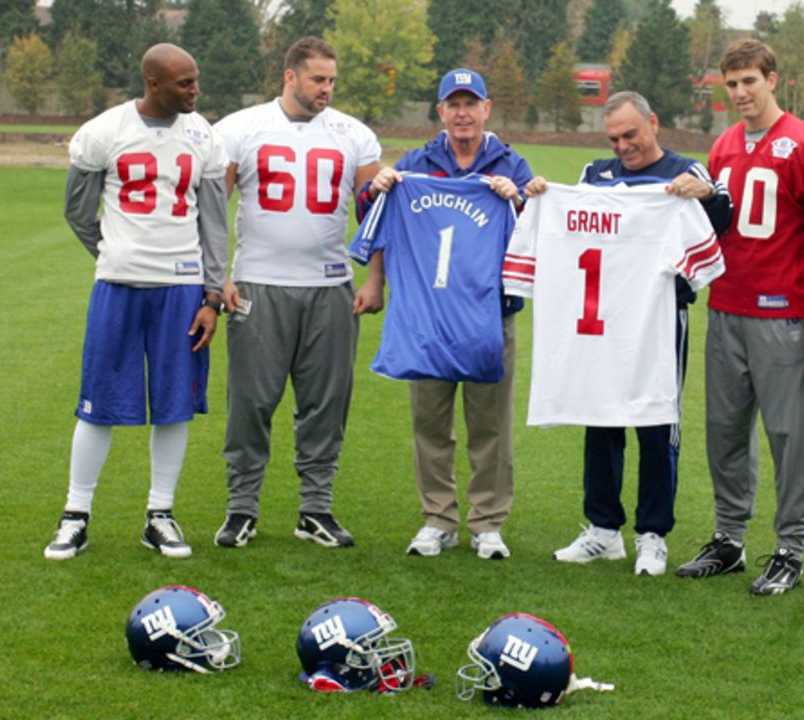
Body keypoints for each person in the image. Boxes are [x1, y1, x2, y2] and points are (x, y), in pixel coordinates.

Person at [675, 39, 804, 596]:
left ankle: (790, 548)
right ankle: (729, 539)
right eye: (731, 84)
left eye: (749, 81)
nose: (740, 93)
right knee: (725, 433)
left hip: (784, 314)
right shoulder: (724, 144)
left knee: (790, 436)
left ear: (773, 79)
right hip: (728, 307)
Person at [43, 43, 229, 560]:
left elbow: (214, 223)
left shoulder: (203, 136)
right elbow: (78, 213)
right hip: (119, 287)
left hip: (182, 289)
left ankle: (160, 514)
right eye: (185, 83)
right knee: (97, 403)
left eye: (195, 80)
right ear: (154, 84)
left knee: (173, 406)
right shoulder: (105, 132)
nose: (195, 91)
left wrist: (213, 294)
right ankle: (75, 515)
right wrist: (116, 255)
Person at [538, 91, 732, 576]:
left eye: (631, 134)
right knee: (599, 417)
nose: (624, 146)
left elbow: (722, 215)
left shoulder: (686, 171)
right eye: (614, 138)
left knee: (656, 421)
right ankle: (603, 530)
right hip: (602, 322)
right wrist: (544, 196)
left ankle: (652, 534)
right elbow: (567, 224)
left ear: (653, 121)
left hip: (660, 317)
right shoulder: (594, 175)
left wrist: (705, 194)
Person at [358, 68, 542, 560]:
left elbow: (537, 230)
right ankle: (437, 518)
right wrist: (376, 188)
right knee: (430, 424)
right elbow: (371, 215)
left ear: (486, 109)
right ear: (440, 111)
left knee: (491, 425)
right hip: (429, 320)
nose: (462, 113)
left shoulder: (511, 164)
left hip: (489, 317)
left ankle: (487, 522)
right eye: (453, 104)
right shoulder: (417, 163)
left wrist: (518, 199)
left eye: (471, 103)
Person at [211, 37, 384, 550]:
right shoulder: (241, 128)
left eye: (332, 80)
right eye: (317, 80)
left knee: (326, 404)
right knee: (251, 403)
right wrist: (217, 275)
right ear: (289, 77)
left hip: (329, 286)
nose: (327, 89)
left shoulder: (354, 134)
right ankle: (241, 508)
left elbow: (374, 216)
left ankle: (316, 509)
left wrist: (374, 278)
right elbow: (212, 208)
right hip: (257, 284)